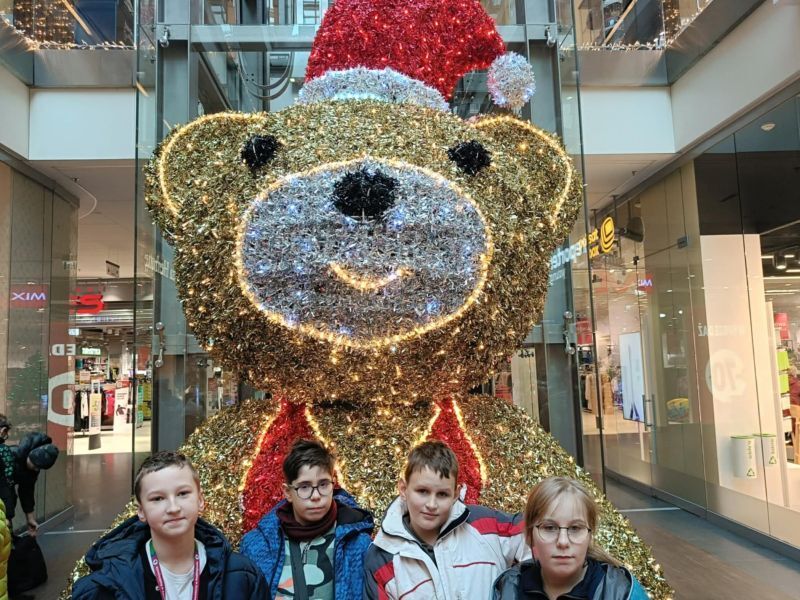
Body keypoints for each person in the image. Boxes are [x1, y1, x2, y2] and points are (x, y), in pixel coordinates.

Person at [72, 451, 268, 599]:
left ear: (200, 500)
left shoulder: (242, 576)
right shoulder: (103, 587)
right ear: (141, 511)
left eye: (183, 494)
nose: (173, 508)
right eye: (158, 498)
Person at [362, 440, 528, 599]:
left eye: (442, 494)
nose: (431, 504)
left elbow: (536, 532)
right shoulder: (382, 558)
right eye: (422, 491)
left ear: (455, 494)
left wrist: (517, 589)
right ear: (403, 489)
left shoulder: (486, 525)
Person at [241, 439, 374, 599]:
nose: (316, 496)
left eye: (323, 484)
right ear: (288, 492)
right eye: (304, 487)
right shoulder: (257, 546)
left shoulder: (357, 544)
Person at [492, 476, 648, 600]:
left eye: (575, 528)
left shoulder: (620, 593)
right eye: (549, 528)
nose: (563, 542)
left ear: (590, 535)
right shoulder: (508, 589)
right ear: (528, 535)